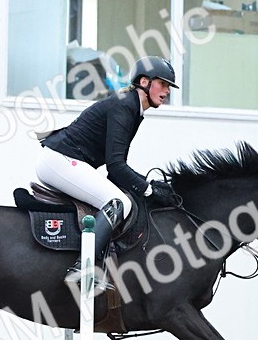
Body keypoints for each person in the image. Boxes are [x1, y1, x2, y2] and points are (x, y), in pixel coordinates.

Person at [37, 55, 179, 289]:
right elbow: (115, 165)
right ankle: (84, 268)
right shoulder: (125, 105)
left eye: (169, 87)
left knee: (122, 197)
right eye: (163, 84)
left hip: (64, 160)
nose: (167, 91)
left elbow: (116, 170)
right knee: (118, 202)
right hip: (60, 160)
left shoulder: (133, 108)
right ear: (144, 81)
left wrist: (144, 184)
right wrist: (148, 189)